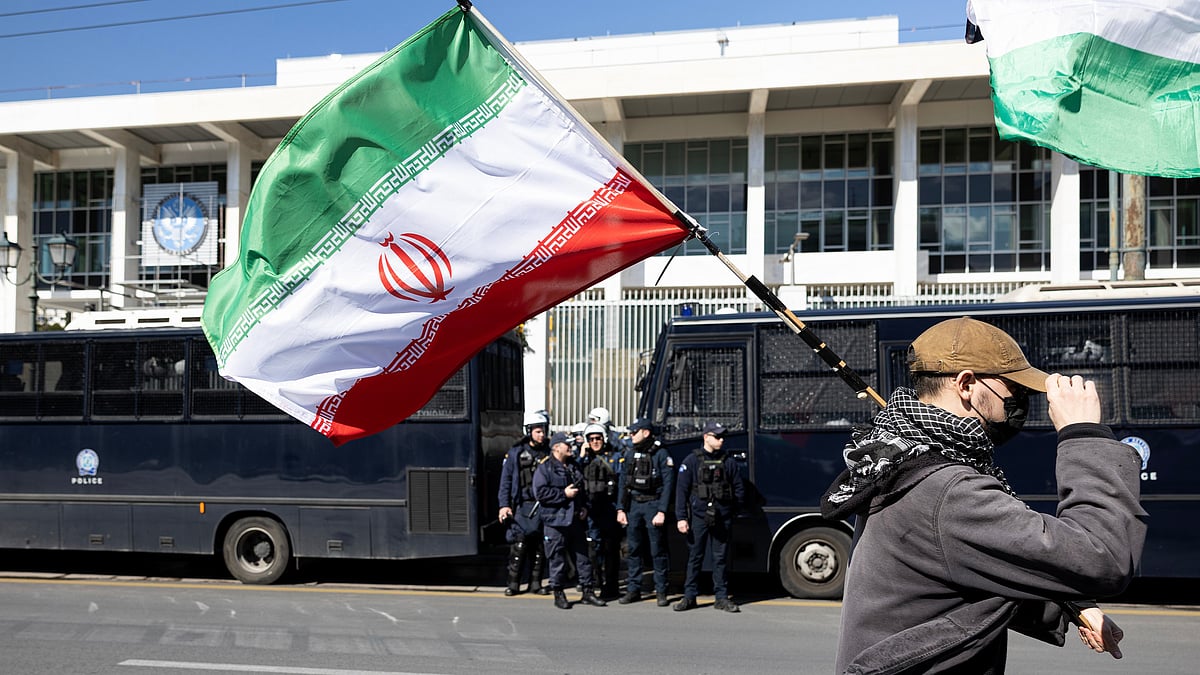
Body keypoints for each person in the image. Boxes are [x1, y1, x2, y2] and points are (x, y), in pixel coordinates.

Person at [820, 316, 1147, 673]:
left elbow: (967, 572)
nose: (1020, 401)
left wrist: (1072, 606)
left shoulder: (906, 455)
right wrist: (1085, 436)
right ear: (966, 385)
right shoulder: (946, 490)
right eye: (1012, 388)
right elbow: (1102, 558)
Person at [673, 420, 745, 613]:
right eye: (717, 436)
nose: (721, 440)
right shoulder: (691, 461)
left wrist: (732, 511)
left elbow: (738, 489)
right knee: (695, 557)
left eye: (722, 436)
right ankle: (689, 597)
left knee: (720, 559)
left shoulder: (728, 462)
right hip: (698, 517)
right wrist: (681, 518)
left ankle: (721, 598)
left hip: (722, 518)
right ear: (706, 437)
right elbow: (681, 492)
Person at [533, 431, 607, 610]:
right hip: (555, 521)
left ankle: (587, 592)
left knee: (583, 558)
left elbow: (582, 490)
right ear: (557, 448)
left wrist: (584, 507)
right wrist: (563, 494)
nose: (571, 447)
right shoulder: (545, 468)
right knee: (557, 558)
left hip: (575, 520)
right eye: (567, 444)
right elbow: (541, 493)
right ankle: (558, 593)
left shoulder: (573, 466)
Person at [615, 417, 675, 606]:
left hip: (653, 505)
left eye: (635, 432)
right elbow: (623, 482)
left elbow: (668, 485)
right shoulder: (630, 453)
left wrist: (662, 511)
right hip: (633, 506)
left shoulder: (661, 454)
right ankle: (634, 590)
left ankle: (661, 590)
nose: (631, 435)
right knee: (633, 550)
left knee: (657, 550)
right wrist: (620, 508)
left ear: (646, 433)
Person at [497, 410, 551, 596]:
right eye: (537, 431)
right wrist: (504, 505)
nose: (541, 434)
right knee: (519, 545)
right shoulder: (515, 453)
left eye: (543, 430)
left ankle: (536, 583)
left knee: (540, 546)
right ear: (529, 431)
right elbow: (505, 481)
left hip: (543, 505)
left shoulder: (550, 452)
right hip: (522, 505)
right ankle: (513, 584)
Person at [579, 422, 622, 599]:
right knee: (592, 549)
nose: (595, 442)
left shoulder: (615, 457)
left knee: (611, 549)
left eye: (598, 438)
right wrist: (581, 456)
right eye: (592, 439)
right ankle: (595, 581)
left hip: (609, 510)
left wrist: (620, 509)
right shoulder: (583, 460)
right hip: (590, 511)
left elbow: (622, 484)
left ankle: (610, 586)